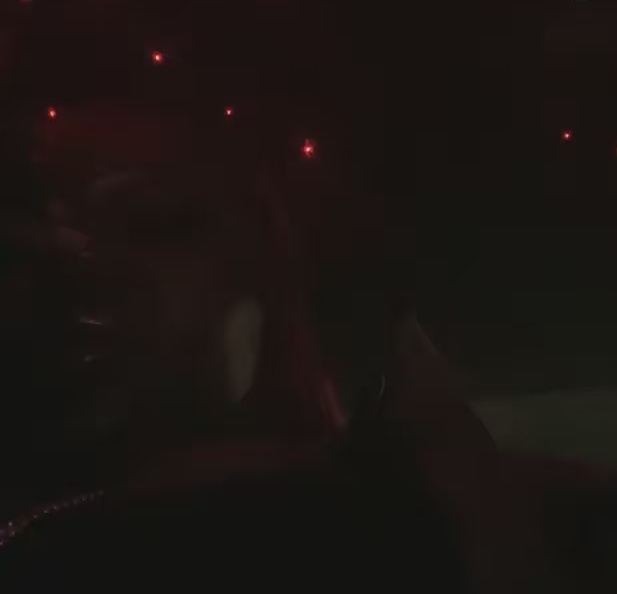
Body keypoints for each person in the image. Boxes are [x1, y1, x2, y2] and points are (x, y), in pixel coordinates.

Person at [1, 101, 537, 592]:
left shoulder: (59, 554)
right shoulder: (405, 515)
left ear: (266, 266)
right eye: (84, 237)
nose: (97, 266)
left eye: (154, 225)